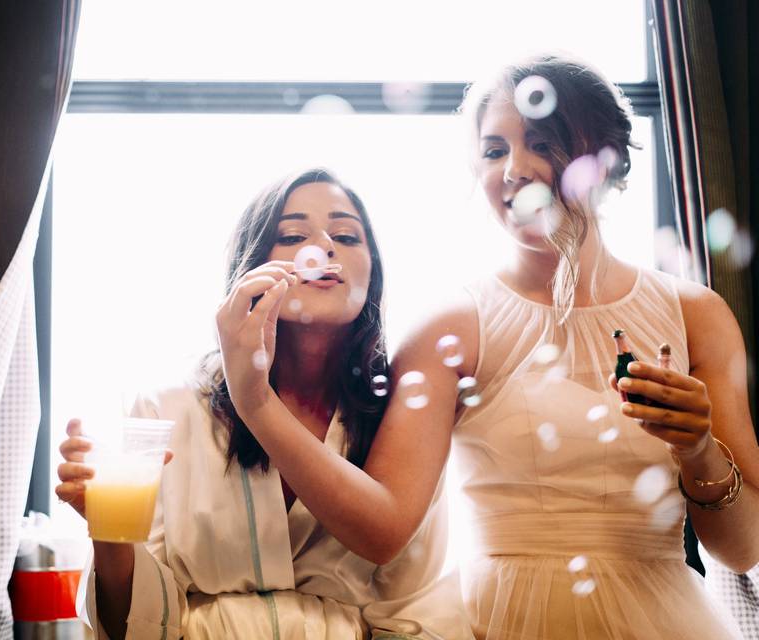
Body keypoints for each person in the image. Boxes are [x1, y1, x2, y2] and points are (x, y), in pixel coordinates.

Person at [220, 56, 758, 639]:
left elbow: (743, 549)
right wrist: (257, 403)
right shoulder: (451, 325)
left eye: (542, 144)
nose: (514, 170)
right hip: (498, 620)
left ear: (605, 158)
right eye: (494, 150)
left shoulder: (697, 317)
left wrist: (698, 450)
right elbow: (383, 530)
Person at [56, 167, 473, 639]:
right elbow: (132, 626)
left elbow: (416, 611)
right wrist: (108, 534)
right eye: (292, 236)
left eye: (345, 236)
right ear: (250, 266)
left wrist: (254, 399)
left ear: (372, 273)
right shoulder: (167, 408)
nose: (324, 247)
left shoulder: (396, 421)